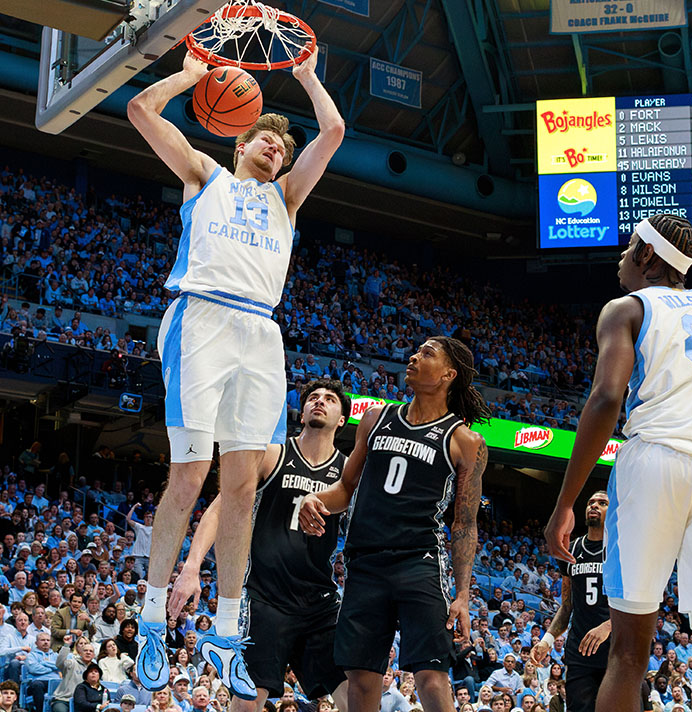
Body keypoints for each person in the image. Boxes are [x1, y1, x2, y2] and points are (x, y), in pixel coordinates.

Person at [125, 40, 345, 698]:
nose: (276, 149)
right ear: (237, 143)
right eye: (265, 141)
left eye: (281, 146)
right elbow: (138, 109)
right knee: (190, 476)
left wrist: (306, 77)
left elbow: (332, 131)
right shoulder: (204, 177)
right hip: (201, 319)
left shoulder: (288, 200)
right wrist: (186, 78)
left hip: (260, 333)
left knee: (245, 486)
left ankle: (224, 625)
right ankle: (150, 618)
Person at [544, 213, 692, 712]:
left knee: (628, 654)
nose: (620, 255)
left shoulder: (625, 308)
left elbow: (607, 397)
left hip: (654, 462)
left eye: (628, 244)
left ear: (647, 255)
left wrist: (566, 502)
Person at [299, 337, 489, 712]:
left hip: (418, 561)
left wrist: (463, 594)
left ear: (449, 375)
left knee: (431, 676)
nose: (414, 357)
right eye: (415, 351)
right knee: (362, 679)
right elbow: (345, 487)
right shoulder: (376, 419)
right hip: (364, 563)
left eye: (427, 354)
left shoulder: (466, 441)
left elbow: (465, 524)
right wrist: (315, 499)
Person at [170, 379, 352, 712]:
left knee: (354, 693)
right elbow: (221, 505)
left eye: (329, 399)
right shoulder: (274, 455)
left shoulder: (348, 471)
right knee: (249, 696)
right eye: (313, 397)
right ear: (302, 412)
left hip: (320, 600)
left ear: (342, 419)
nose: (319, 402)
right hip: (266, 598)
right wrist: (192, 566)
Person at [532, 493, 611, 712]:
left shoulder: (620, 550)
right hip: (579, 653)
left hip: (614, 652)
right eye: (590, 502)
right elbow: (567, 606)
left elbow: (635, 604)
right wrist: (547, 640)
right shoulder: (571, 551)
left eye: (602, 503)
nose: (594, 505)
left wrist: (608, 626)